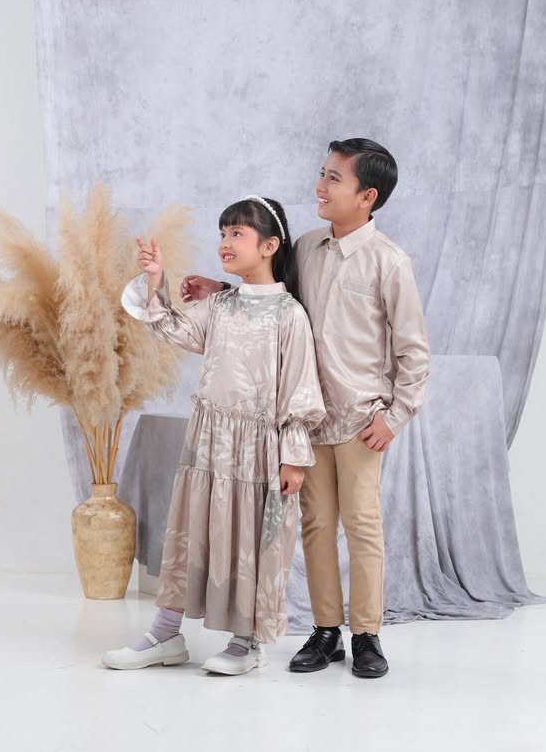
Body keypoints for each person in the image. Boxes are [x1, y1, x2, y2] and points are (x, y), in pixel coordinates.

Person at [181, 140, 430, 678]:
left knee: (362, 525)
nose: (320, 186)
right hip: (304, 419)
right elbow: (274, 295)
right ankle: (326, 630)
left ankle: (366, 634)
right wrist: (219, 287)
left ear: (367, 196)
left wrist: (395, 415)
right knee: (315, 525)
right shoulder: (308, 247)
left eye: (334, 178)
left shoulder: (389, 262)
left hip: (361, 420)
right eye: (323, 174)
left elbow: (414, 351)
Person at [101, 195, 325, 676]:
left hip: (259, 453)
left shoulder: (289, 315)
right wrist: (156, 280)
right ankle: (165, 634)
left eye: (237, 233)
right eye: (223, 233)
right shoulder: (219, 305)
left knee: (250, 540)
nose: (225, 242)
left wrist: (293, 457)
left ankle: (246, 641)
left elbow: (300, 390)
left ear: (269, 245)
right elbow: (171, 328)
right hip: (208, 444)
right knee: (192, 532)